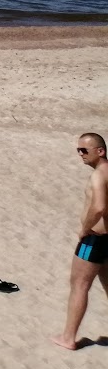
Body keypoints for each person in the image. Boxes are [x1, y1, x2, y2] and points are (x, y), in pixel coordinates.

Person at [51, 131, 108, 350]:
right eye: (78, 150)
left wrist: (85, 228)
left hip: (94, 240)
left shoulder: (98, 175)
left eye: (84, 150)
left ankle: (68, 337)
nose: (80, 154)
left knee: (79, 285)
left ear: (100, 151)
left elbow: (100, 206)